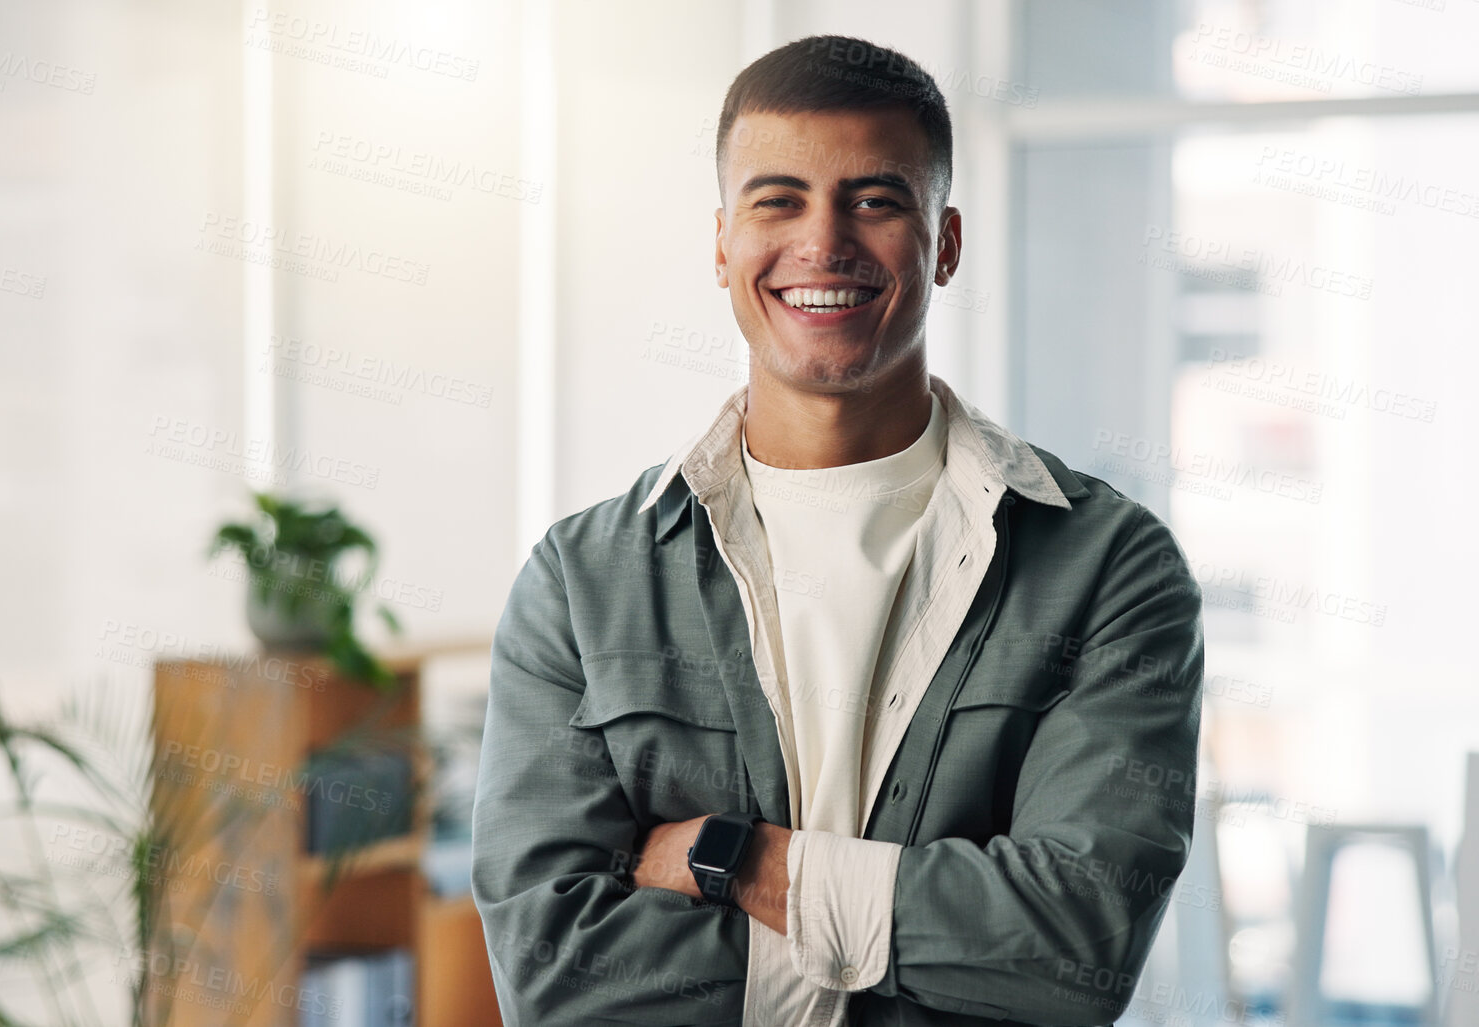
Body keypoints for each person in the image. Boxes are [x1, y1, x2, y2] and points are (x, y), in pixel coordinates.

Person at [471, 34, 1205, 1027]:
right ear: (722, 242)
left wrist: (736, 858)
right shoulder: (581, 580)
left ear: (943, 243)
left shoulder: (1110, 567)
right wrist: (915, 949)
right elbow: (555, 976)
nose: (824, 244)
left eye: (875, 199)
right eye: (779, 200)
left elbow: (1073, 951)